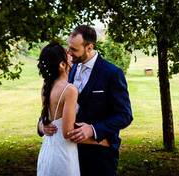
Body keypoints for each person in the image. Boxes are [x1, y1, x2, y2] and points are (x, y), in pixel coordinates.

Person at [38, 26, 133, 176]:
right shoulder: (65, 70)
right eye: (68, 47)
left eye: (74, 49)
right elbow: (53, 102)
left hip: (99, 156)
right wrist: (42, 124)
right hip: (67, 154)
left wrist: (93, 129)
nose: (69, 53)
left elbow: (125, 115)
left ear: (89, 47)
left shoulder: (112, 74)